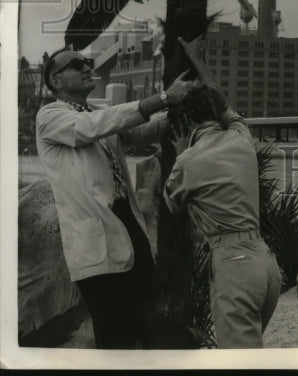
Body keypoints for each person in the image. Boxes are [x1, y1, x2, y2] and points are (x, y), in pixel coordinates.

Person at [35, 46, 200, 349]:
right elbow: (95, 127)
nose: (87, 67)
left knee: (148, 327)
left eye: (88, 62)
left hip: (130, 235)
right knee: (114, 337)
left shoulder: (97, 114)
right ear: (57, 80)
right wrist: (164, 98)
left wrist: (182, 110)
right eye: (77, 64)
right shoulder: (50, 116)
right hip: (97, 246)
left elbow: (136, 132)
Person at [163, 35, 281, 349]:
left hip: (234, 264)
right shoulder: (240, 136)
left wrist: (179, 153)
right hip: (266, 262)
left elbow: (172, 204)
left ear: (187, 120)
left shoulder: (187, 162)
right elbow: (220, 98)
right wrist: (198, 59)